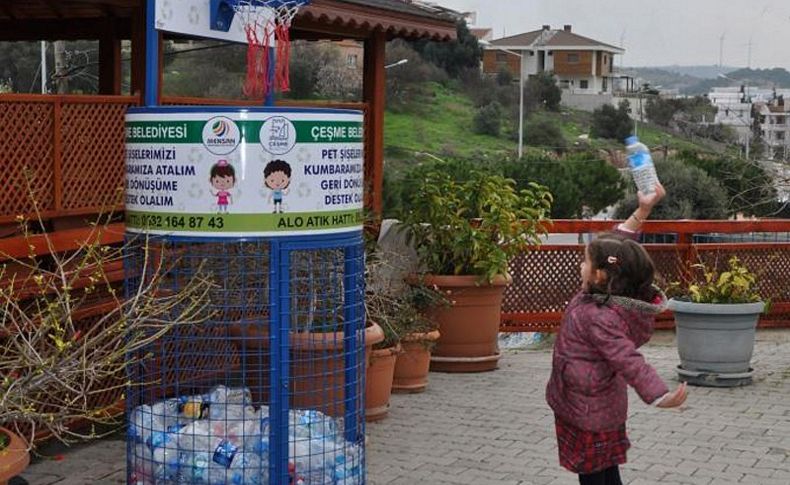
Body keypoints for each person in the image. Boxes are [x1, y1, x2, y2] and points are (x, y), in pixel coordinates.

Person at [545, 183, 687, 485]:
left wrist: (659, 395)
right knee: (605, 469)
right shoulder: (605, 295)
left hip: (586, 409)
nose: (580, 265)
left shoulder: (599, 315)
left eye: (585, 261)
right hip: (595, 404)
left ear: (598, 275)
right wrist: (643, 209)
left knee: (593, 474)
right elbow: (617, 248)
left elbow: (629, 360)